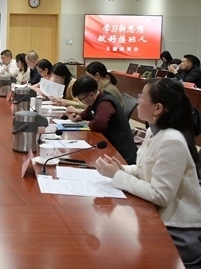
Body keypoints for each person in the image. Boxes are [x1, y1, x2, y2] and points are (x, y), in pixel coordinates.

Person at [95, 78, 201, 267]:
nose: (137, 100)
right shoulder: (154, 130)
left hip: (176, 231)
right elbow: (145, 169)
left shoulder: (172, 140)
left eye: (142, 96)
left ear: (158, 108)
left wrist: (118, 176)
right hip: (158, 217)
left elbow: (160, 195)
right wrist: (122, 169)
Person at [69, 76, 137, 164]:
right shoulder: (96, 98)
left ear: (91, 95)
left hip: (120, 153)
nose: (82, 102)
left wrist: (88, 123)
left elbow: (98, 125)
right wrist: (80, 116)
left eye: (81, 99)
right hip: (107, 145)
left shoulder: (105, 103)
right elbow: (88, 112)